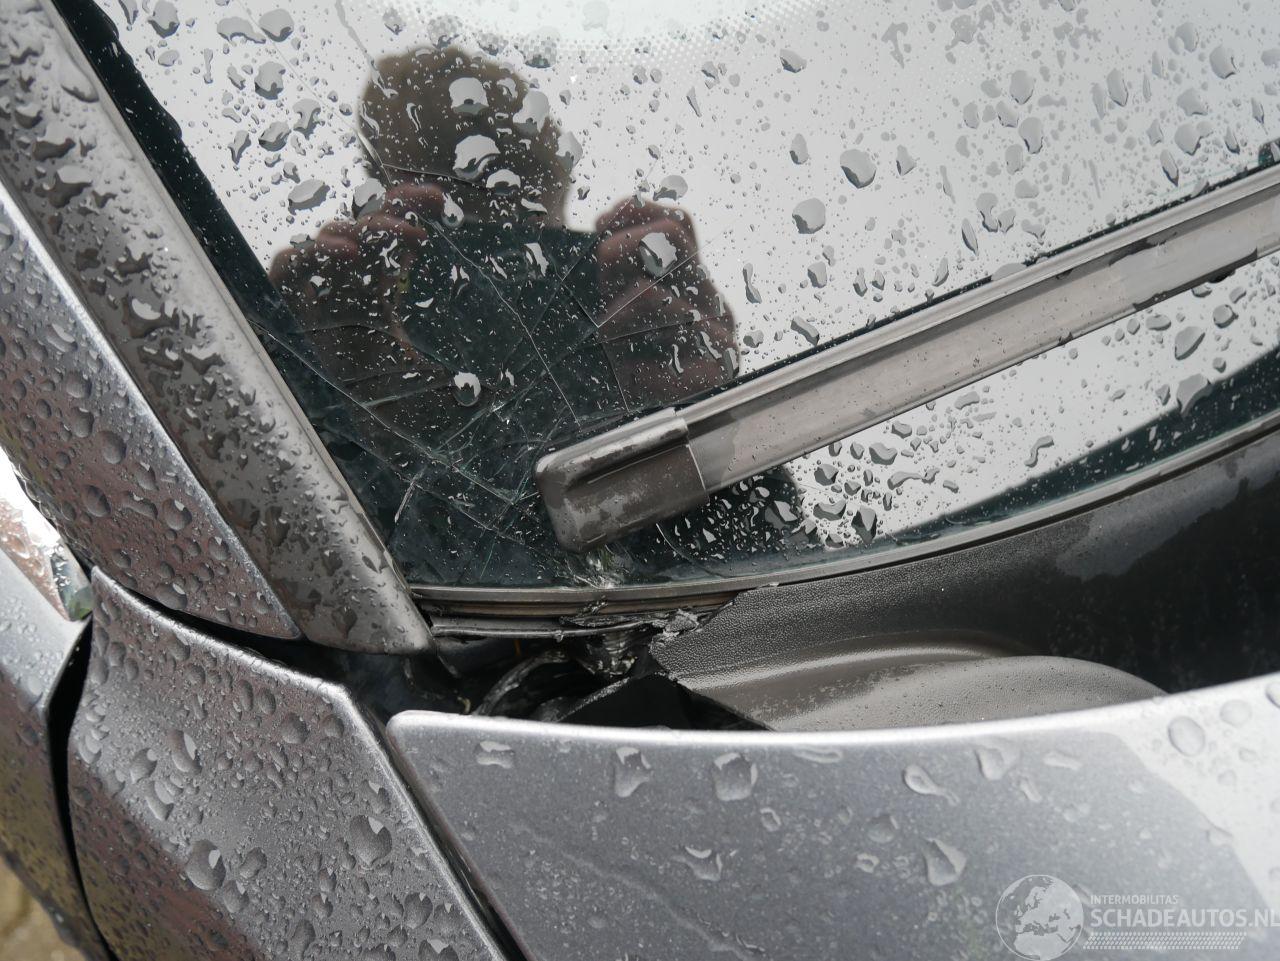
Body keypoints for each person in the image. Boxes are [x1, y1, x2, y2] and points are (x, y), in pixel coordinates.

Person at [267, 46, 800, 584]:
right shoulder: (335, 337)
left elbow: (763, 590)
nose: (498, 293)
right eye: (449, 258)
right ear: (382, 218)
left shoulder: (621, 339)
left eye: (540, 252)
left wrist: (706, 415)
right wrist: (311, 381)